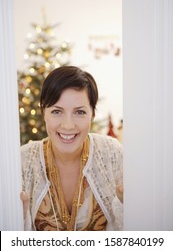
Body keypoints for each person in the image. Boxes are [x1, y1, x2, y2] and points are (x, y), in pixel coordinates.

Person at [20, 65, 123, 231]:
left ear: (92, 114)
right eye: (56, 111)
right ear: (43, 113)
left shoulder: (113, 153)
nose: (68, 125)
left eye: (80, 112)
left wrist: (126, 204)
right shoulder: (23, 162)